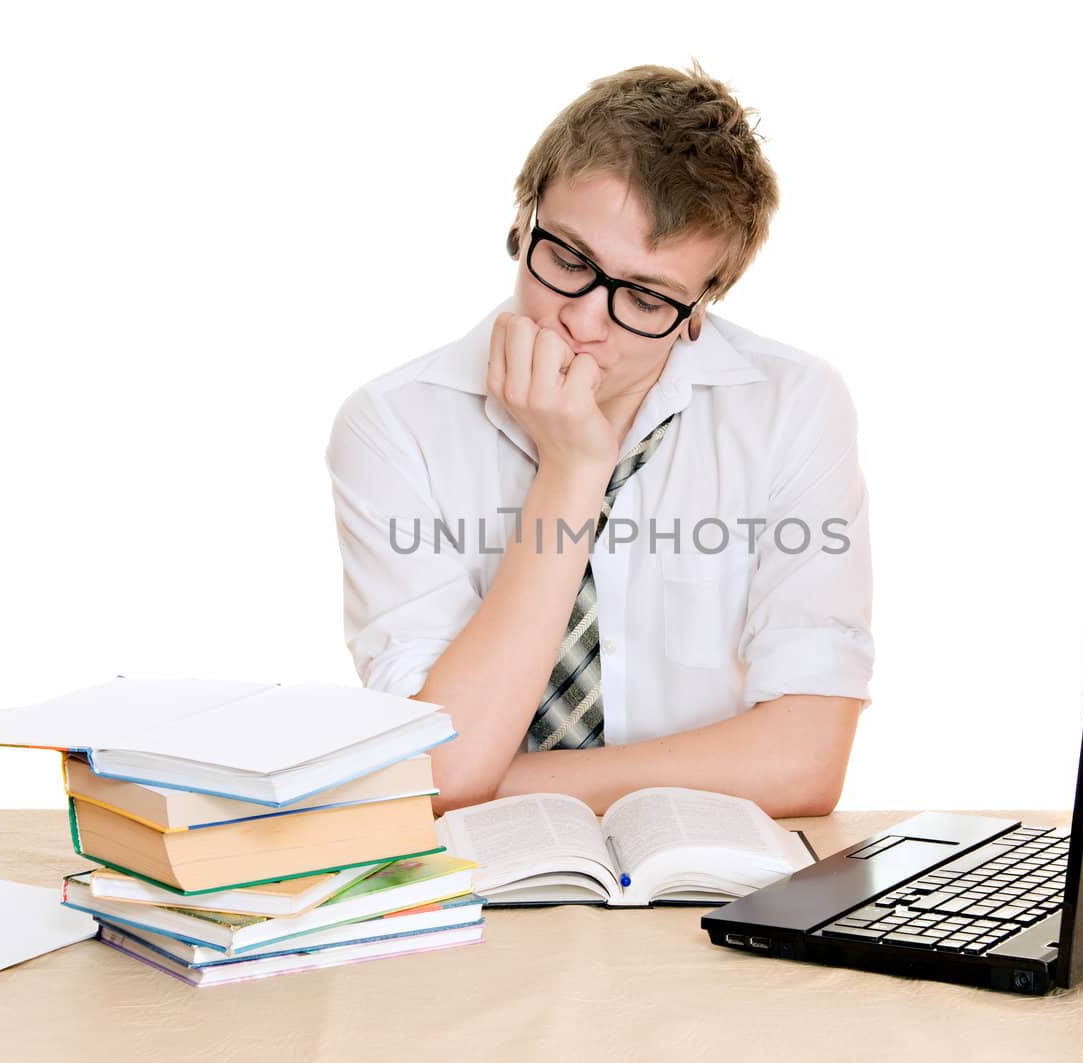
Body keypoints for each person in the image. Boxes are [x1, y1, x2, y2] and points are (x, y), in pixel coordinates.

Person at [326, 61, 874, 818]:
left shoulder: (792, 405)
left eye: (645, 296)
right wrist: (573, 467)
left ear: (695, 313)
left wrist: (485, 779)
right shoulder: (392, 426)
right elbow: (441, 775)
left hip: (708, 882)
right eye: (568, 260)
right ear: (522, 224)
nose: (585, 321)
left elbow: (807, 762)